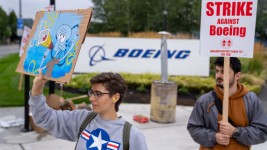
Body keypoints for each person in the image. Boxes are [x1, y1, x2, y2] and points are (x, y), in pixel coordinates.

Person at [29, 71, 148, 150]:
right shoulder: (82, 119)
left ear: (115, 97)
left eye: (98, 94)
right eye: (91, 92)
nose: (91, 98)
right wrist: (37, 89)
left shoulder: (132, 135)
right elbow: (43, 118)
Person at [187, 57, 267, 150]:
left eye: (223, 72)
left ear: (237, 76)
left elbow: (262, 132)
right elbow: (193, 127)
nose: (218, 75)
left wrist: (235, 132)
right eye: (217, 71)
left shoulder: (251, 100)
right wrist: (214, 137)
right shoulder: (205, 100)